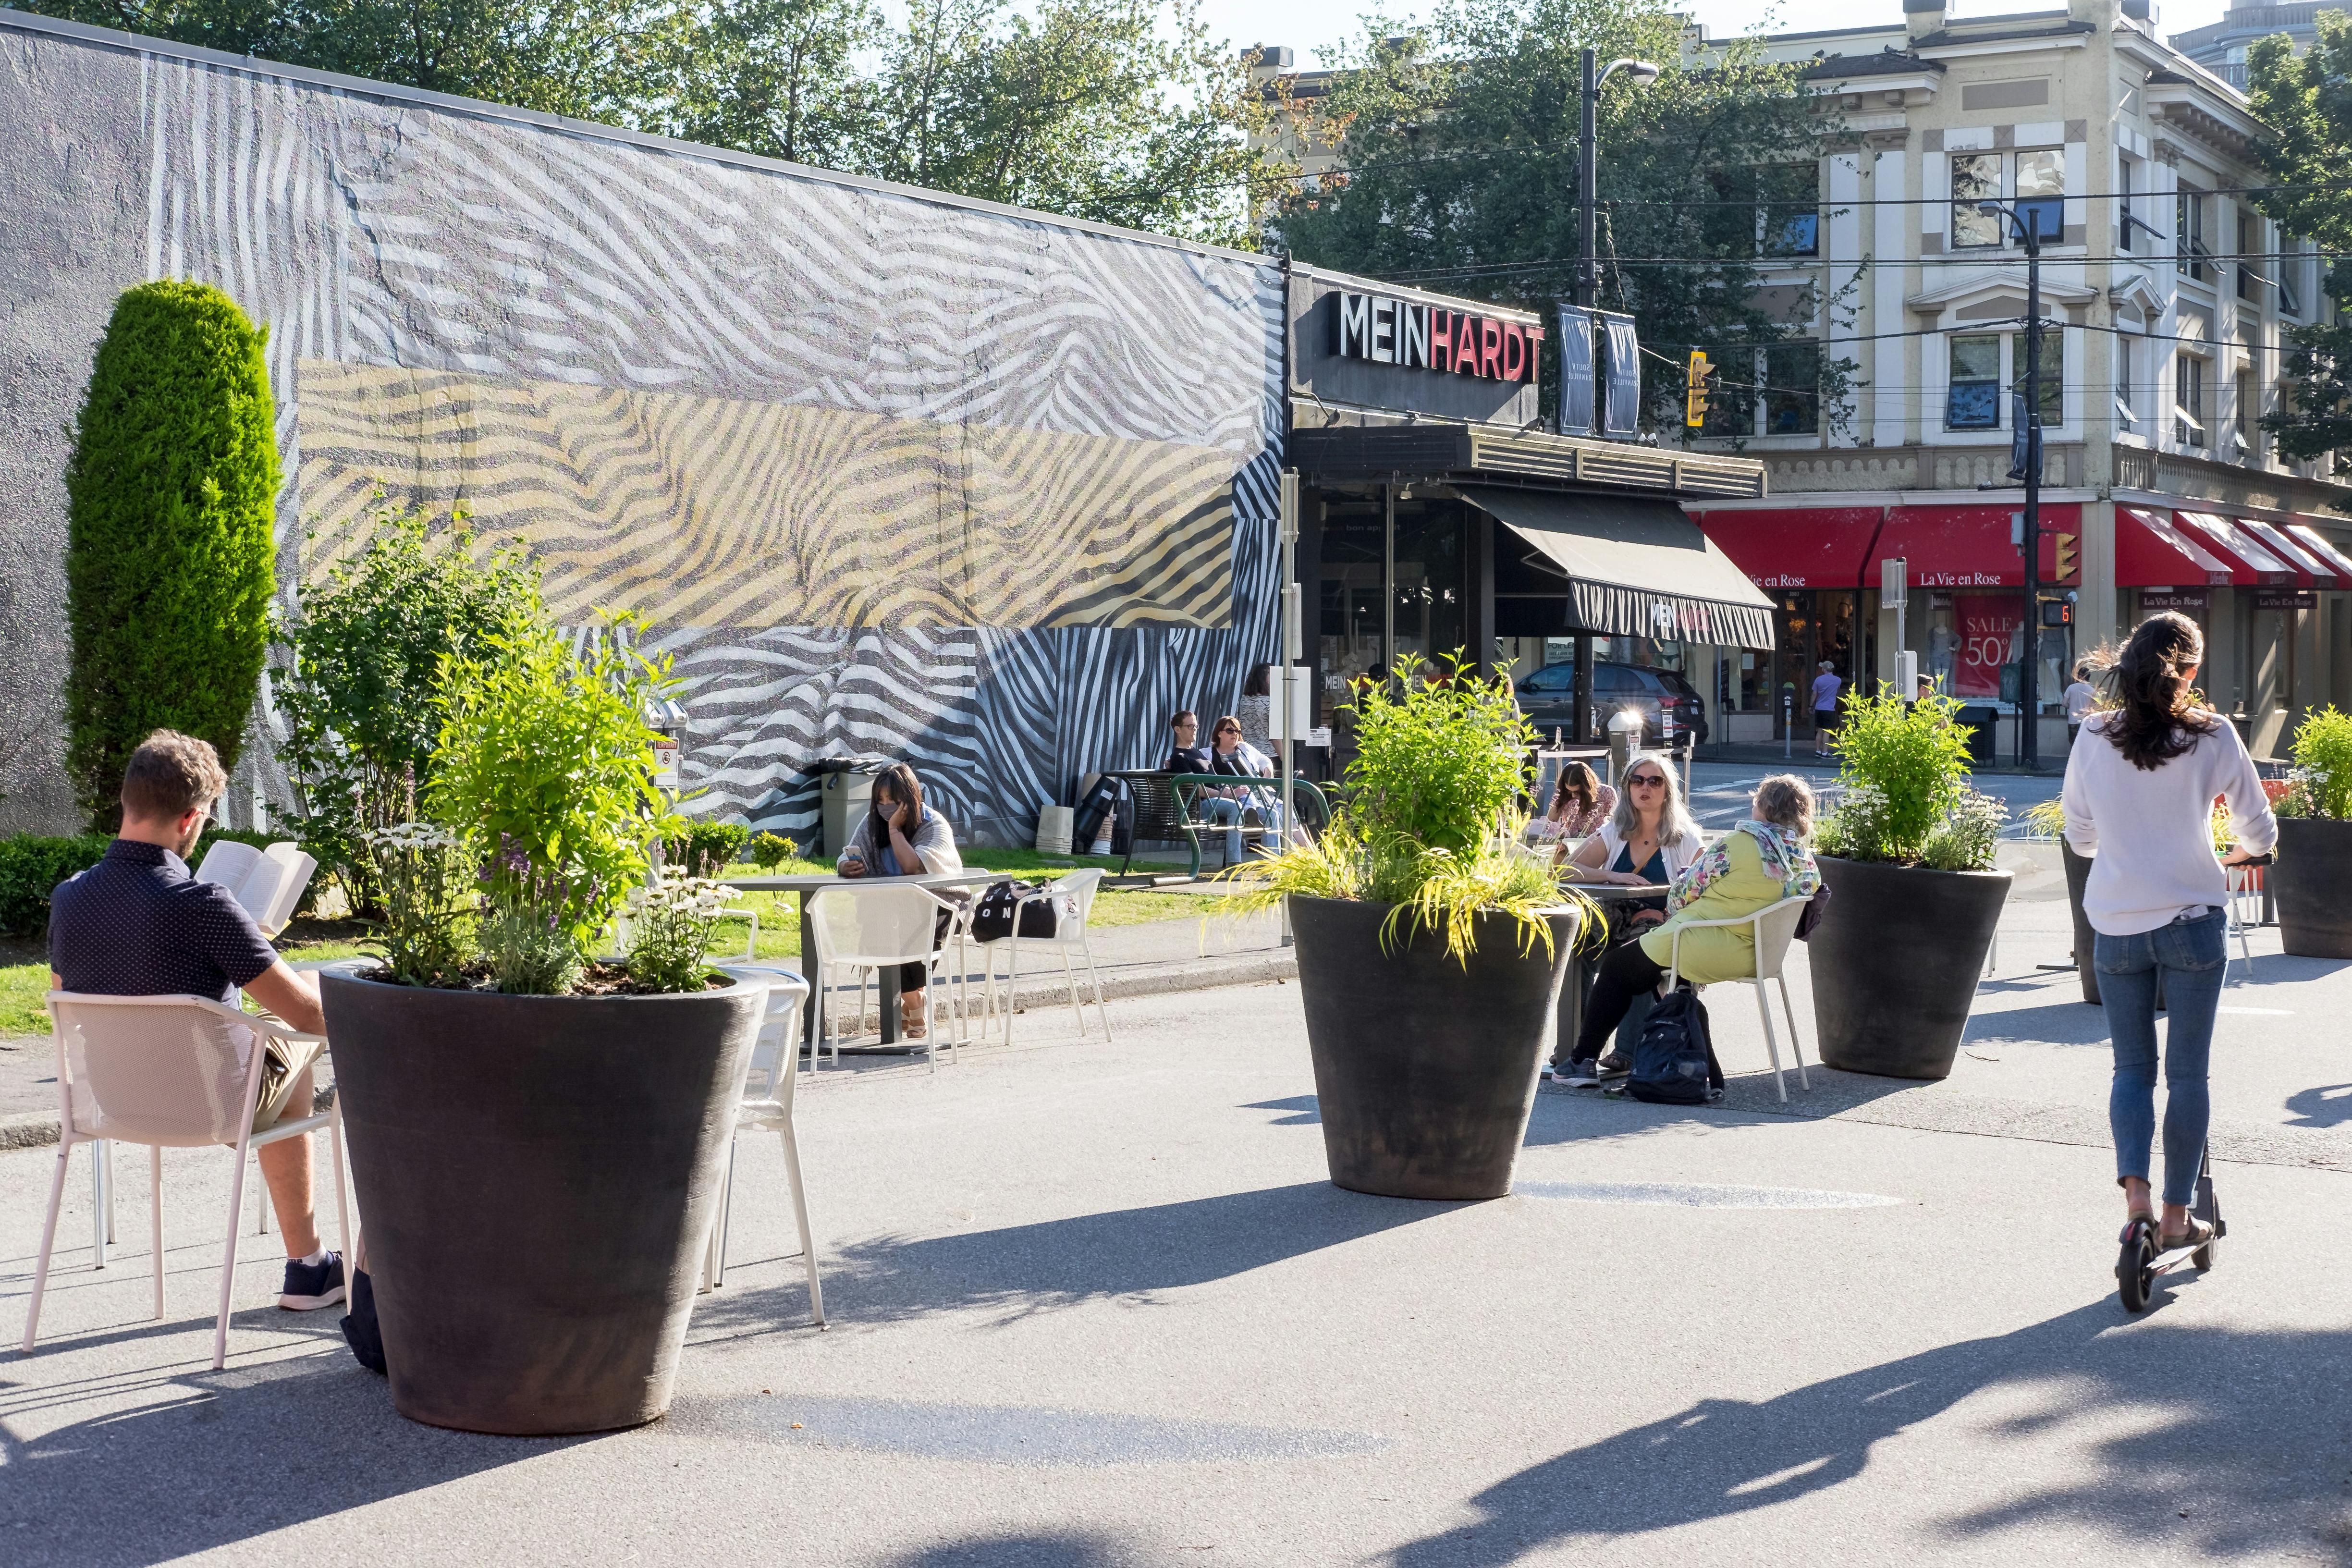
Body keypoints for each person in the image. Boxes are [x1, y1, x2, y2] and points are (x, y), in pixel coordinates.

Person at [46, 731, 346, 1311]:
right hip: (214, 1108)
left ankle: (310, 1265)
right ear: (191, 819)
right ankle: (308, 1266)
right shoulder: (203, 905)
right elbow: (309, 1018)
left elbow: (66, 1003)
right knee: (299, 1032)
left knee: (270, 1039)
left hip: (113, 1105)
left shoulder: (70, 897)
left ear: (128, 804)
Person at [2062, 612, 2274, 1256]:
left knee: (2131, 1070)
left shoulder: (2095, 733)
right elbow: (2259, 832)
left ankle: (2136, 1204)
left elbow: (2079, 835)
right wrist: (2233, 859)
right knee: (2188, 1077)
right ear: (2192, 670)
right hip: (2192, 923)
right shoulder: (2212, 735)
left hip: (2118, 925)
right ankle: (2179, 1216)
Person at [1556, 774, 1824, 1088]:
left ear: (1764, 807)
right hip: (1762, 955)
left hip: (1701, 943)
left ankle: (1581, 1062)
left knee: (1619, 967)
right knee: (1658, 976)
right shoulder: (1803, 859)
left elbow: (1680, 895)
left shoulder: (1738, 844)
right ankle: (1695, 1066)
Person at [836, 761, 964, 1038]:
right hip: (886, 908)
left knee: (904, 936)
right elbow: (848, 853)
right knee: (880, 926)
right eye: (880, 800)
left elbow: (913, 867)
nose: (885, 807)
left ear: (910, 798)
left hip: (936, 907)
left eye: (892, 800)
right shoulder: (872, 823)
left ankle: (912, 1002)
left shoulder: (934, 825)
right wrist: (846, 866)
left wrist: (894, 830)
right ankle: (915, 1003)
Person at [1200, 714, 1279, 865]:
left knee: (1272, 813)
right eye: (1230, 731)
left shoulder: (1243, 748)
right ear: (1219, 733)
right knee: (1241, 798)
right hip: (1227, 797)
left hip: (1252, 796)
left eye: (1238, 731)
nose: (1235, 735)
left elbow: (1264, 760)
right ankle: (1234, 864)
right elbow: (1193, 766)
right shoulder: (1206, 754)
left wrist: (1267, 775)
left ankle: (1273, 865)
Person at [1531, 760, 1616, 847]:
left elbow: (1616, 823)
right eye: (1569, 791)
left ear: (1587, 788)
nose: (1573, 795)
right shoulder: (1563, 795)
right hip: (1571, 845)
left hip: (1599, 845)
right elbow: (1550, 824)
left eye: (1577, 792)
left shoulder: (1607, 793)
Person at [1236, 664, 1276, 759]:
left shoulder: (1243, 701)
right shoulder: (1270, 702)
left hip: (1247, 753)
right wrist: (1285, 760)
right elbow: (1276, 737)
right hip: (1270, 754)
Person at [1163, 710, 1213, 776]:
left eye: (1196, 726)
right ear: (1178, 730)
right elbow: (1191, 784)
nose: (1195, 729)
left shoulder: (1196, 752)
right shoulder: (1179, 757)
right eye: (1190, 726)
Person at [1811, 660, 1843, 756]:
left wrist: (1811, 706)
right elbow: (1837, 691)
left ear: (1824, 669)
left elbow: (1814, 694)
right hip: (1829, 709)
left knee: (1820, 730)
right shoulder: (1838, 680)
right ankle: (1825, 752)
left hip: (1819, 708)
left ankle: (1818, 750)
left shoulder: (1818, 680)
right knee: (1827, 731)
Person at [2064, 661, 2096, 749]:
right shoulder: (2092, 690)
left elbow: (2064, 703)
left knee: (2073, 745)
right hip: (2086, 721)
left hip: (2073, 721)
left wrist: (2071, 707)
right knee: (2085, 745)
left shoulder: (2071, 688)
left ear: (2079, 676)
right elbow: (2098, 705)